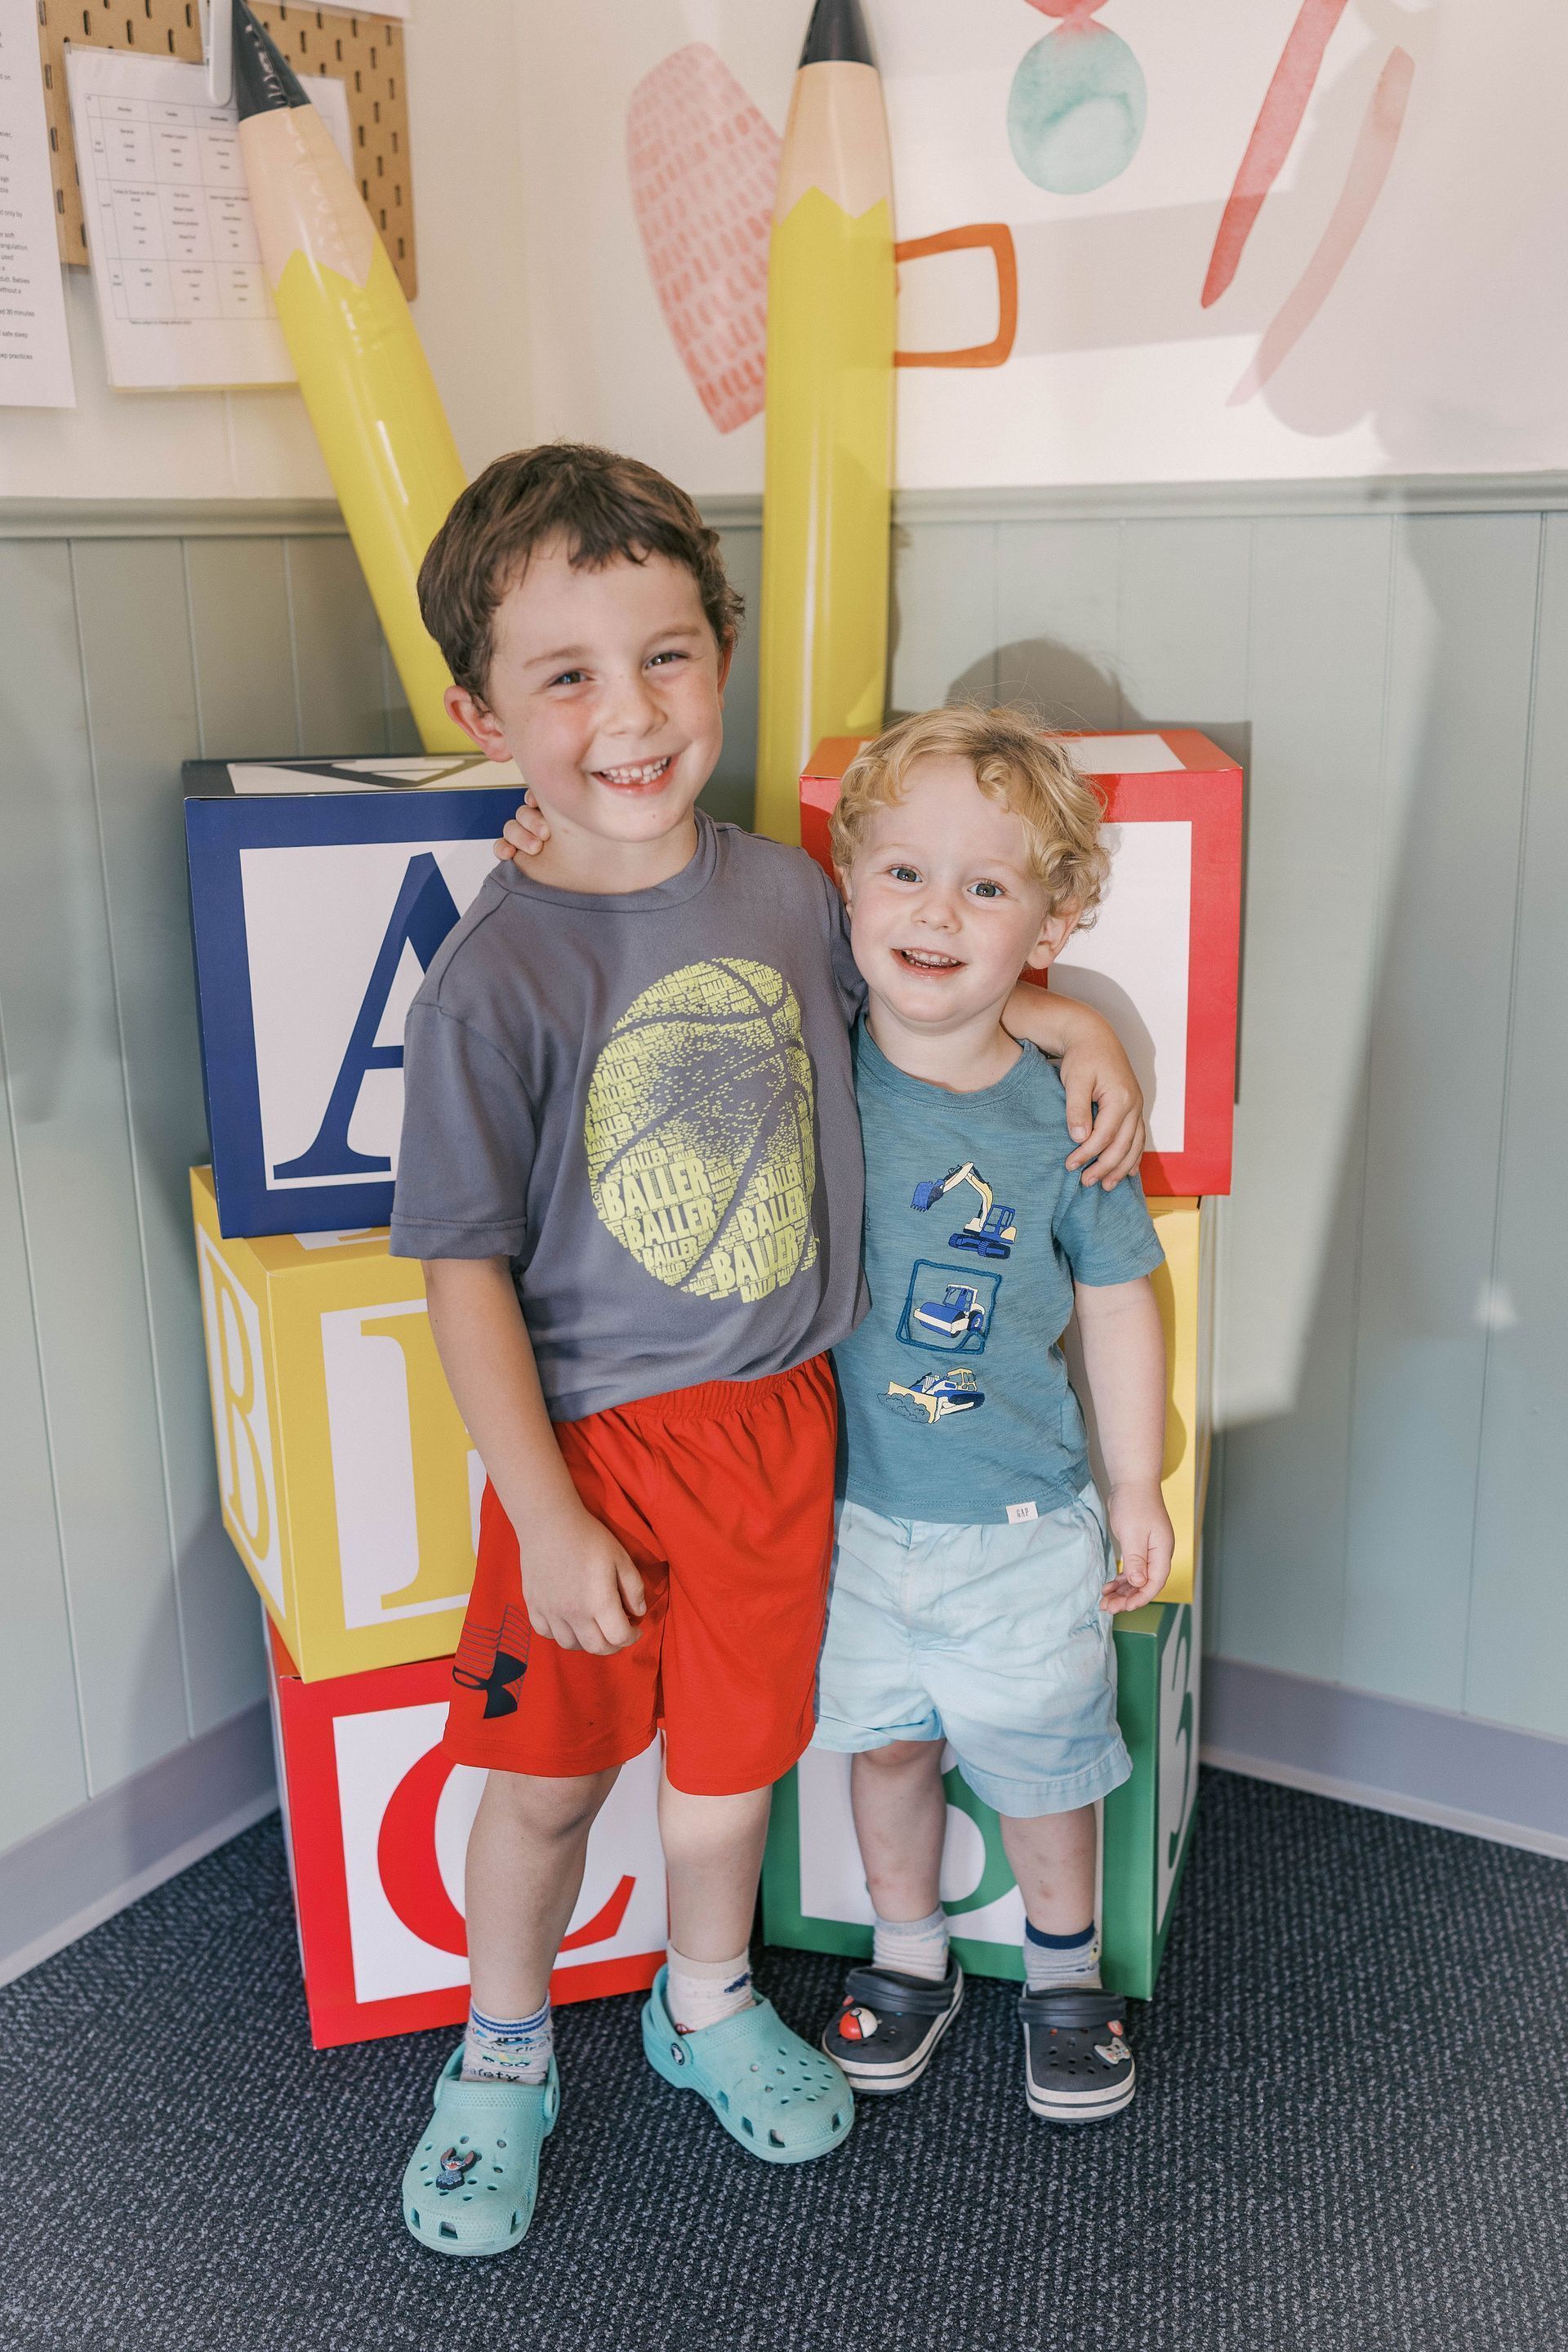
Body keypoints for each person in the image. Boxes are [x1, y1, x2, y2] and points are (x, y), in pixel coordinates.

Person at [389, 443, 1146, 2256]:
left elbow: (937, 984)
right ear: (480, 716)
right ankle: (501, 2050)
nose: (631, 713)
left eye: (665, 656)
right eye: (566, 678)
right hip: (591, 1453)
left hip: (781, 1431)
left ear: (720, 653)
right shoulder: (493, 979)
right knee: (549, 1780)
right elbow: (461, 1272)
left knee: (728, 1774)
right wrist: (542, 1512)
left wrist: (1072, 1020)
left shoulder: (793, 896)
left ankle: (707, 1996)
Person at [812, 706, 1173, 2126]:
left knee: (1042, 1770)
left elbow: (1119, 1298)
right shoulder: (819, 1057)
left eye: (985, 885)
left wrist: (1134, 1485)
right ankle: (909, 1954)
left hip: (1020, 1524)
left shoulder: (1064, 1115)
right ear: (847, 882)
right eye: (904, 873)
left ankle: (1066, 1976)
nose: (936, 913)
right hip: (849, 1517)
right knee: (887, 1748)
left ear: (1051, 921)